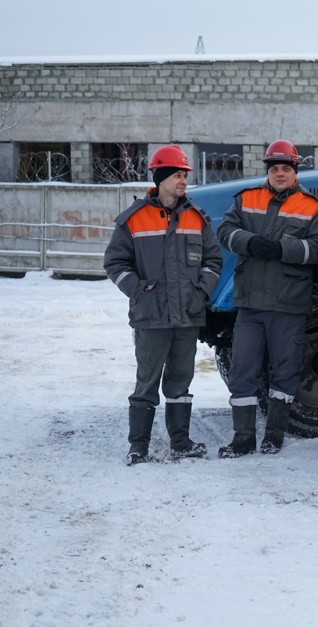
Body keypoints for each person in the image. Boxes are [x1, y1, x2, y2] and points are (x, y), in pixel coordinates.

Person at [104, 145, 222, 465]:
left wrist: (202, 291)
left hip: (187, 314)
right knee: (147, 382)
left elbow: (213, 260)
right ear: (161, 178)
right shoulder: (134, 219)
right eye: (178, 175)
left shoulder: (196, 218)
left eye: (185, 175)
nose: (184, 181)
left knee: (181, 380)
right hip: (151, 316)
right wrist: (138, 291)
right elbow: (115, 263)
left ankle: (180, 442)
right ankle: (138, 445)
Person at [215, 140, 318, 457]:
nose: (280, 173)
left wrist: (283, 249)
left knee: (285, 373)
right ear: (268, 171)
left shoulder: (312, 208)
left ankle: (274, 436)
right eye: (275, 168)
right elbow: (225, 231)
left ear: (295, 173)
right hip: (251, 306)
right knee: (242, 371)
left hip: (289, 305)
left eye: (286, 168)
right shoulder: (247, 199)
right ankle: (243, 438)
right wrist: (250, 242)